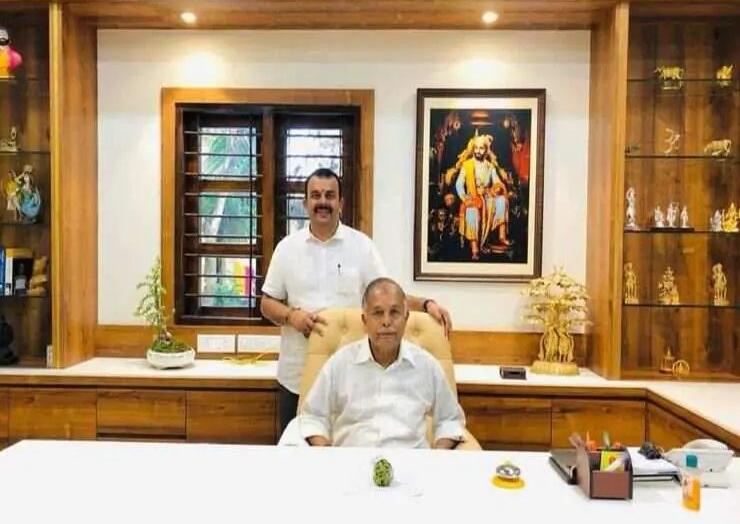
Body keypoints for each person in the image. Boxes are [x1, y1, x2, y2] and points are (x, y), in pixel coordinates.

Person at [260, 168, 453, 435]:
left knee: (351, 444)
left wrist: (426, 303)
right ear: (305, 203)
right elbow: (267, 303)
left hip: (351, 379)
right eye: (316, 196)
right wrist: (292, 316)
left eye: (330, 196)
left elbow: (387, 296)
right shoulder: (287, 248)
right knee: (297, 449)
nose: (323, 202)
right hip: (297, 376)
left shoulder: (362, 246)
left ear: (340, 202)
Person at [298, 277, 465, 449]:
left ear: (406, 317)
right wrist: (326, 454)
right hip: (353, 459)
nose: (386, 321)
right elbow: (313, 417)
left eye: (394, 312)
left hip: (410, 460)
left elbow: (450, 421)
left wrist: (437, 456)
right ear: (365, 321)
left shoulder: (426, 365)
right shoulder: (340, 363)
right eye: (378, 313)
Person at [453, 135, 510, 260]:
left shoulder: (490, 166)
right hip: (472, 198)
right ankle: (474, 248)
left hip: (487, 198)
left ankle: (501, 236)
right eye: (476, 148)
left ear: (486, 150)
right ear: (473, 149)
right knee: (472, 211)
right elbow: (459, 184)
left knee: (501, 200)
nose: (478, 151)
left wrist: (497, 188)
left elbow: (497, 182)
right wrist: (465, 198)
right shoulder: (467, 165)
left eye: (481, 148)